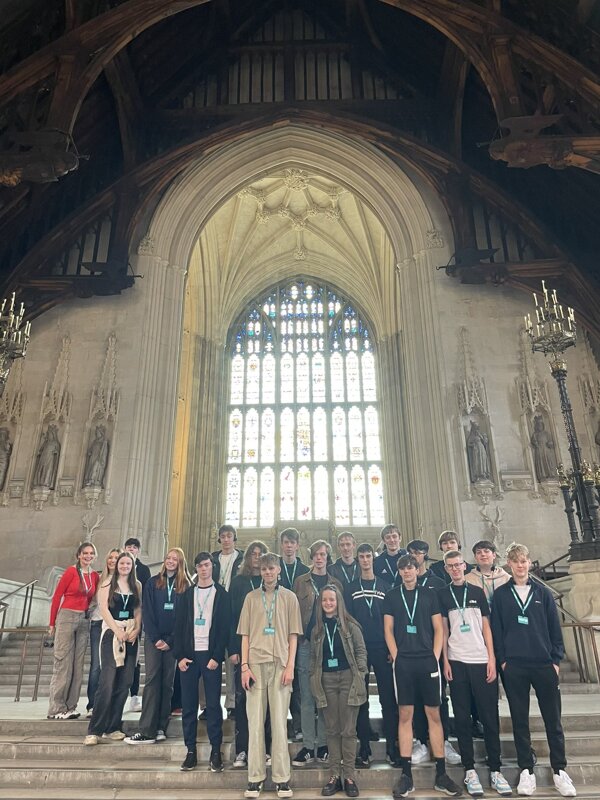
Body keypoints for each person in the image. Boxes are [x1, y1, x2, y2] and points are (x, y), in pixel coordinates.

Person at [491, 543, 576, 798]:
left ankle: (560, 770)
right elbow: (497, 630)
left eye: (524, 560)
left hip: (543, 665)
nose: (520, 565)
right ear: (509, 564)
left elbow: (555, 629)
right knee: (519, 721)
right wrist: (503, 660)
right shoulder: (502, 595)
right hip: (515, 666)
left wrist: (555, 660)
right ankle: (526, 769)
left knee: (553, 720)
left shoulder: (544, 593)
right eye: (515, 561)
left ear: (529, 563)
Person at [383, 554, 462, 798]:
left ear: (418, 570)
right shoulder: (392, 595)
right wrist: (397, 657)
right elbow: (388, 629)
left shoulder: (429, 594)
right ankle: (406, 774)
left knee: (434, 714)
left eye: (411, 568)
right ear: (399, 572)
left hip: (427, 661)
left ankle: (441, 773)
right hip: (404, 662)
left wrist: (435, 656)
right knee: (405, 714)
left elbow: (439, 628)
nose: (407, 572)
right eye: (403, 569)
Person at [440, 550, 512, 797]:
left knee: (489, 716)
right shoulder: (442, 594)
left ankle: (495, 769)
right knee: (461, 718)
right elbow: (443, 630)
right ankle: (469, 769)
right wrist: (445, 661)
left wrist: (492, 658)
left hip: (481, 660)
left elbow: (486, 627)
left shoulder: (477, 592)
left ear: (464, 565)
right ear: (446, 568)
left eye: (458, 564)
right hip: (457, 661)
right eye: (451, 566)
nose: (455, 569)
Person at [239, 552, 302, 799]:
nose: (267, 572)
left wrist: (290, 667)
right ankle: (254, 778)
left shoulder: (289, 597)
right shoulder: (251, 598)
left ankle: (281, 779)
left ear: (278, 571)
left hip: (280, 665)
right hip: (255, 664)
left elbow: (293, 635)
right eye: (264, 569)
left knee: (278, 723)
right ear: (259, 571)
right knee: (254, 723)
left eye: (271, 568)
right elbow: (244, 634)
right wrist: (244, 666)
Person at [125, 548, 191, 744]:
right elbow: (147, 612)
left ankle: (161, 726)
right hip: (154, 640)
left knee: (168, 683)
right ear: (164, 560)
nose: (171, 561)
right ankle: (146, 728)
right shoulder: (153, 583)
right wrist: (155, 638)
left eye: (175, 559)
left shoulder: (186, 585)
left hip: (174, 642)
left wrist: (171, 640)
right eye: (168, 558)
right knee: (153, 680)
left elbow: (185, 616)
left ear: (180, 563)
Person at [174, 551, 230, 773]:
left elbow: (224, 628)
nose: (204, 569)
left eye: (207, 565)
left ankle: (216, 752)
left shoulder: (222, 595)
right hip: (189, 656)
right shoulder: (188, 595)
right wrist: (179, 656)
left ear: (212, 567)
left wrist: (217, 656)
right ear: (195, 569)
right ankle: (190, 752)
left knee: (214, 705)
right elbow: (178, 627)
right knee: (189, 706)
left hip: (210, 657)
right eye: (200, 566)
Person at [406, 539, 459, 767]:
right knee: (416, 698)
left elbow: (444, 620)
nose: (415, 556)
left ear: (426, 555)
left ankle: (444, 740)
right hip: (412, 650)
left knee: (439, 698)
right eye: (411, 553)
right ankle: (420, 741)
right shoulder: (406, 584)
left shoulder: (438, 583)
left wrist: (440, 653)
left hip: (433, 650)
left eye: (418, 553)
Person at [345, 542, 398, 768]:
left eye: (368, 556)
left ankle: (392, 747)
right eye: (362, 557)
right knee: (361, 699)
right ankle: (364, 747)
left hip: (381, 649)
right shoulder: (350, 587)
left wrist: (391, 649)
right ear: (357, 560)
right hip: (360, 650)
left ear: (373, 559)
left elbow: (391, 621)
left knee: (388, 698)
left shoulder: (385, 586)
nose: (365, 560)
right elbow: (346, 620)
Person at [311, 584, 367, 798]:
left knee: (348, 730)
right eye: (324, 600)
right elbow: (313, 659)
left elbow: (361, 651)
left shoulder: (350, 625)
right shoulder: (317, 629)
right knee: (332, 730)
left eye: (331, 600)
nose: (328, 603)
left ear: (338, 601)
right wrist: (312, 678)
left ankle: (349, 776)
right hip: (326, 680)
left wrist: (360, 674)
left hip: (347, 679)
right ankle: (334, 776)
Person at [292, 540, 342, 766]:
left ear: (328, 557)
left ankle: (323, 744)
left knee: (324, 695)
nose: (319, 558)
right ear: (311, 557)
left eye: (323, 554)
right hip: (305, 643)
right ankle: (307, 744)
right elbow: (293, 613)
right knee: (306, 696)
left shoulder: (335, 583)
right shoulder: (300, 582)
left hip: (327, 642)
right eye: (316, 554)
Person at [84, 551, 142, 744]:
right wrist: (117, 631)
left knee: (125, 681)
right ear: (117, 565)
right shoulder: (108, 583)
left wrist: (137, 628)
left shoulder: (137, 585)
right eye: (122, 563)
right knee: (107, 681)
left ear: (133, 566)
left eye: (128, 563)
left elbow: (137, 609)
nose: (125, 566)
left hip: (130, 634)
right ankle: (95, 729)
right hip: (111, 634)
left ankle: (113, 726)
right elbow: (103, 608)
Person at [47, 541, 99, 720]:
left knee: (78, 665)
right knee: (63, 663)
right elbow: (57, 596)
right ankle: (56, 708)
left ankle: (71, 706)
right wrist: (52, 623)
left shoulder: (94, 576)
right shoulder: (70, 572)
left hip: (83, 620)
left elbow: (93, 599)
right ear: (79, 555)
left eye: (91, 553)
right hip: (67, 617)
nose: (88, 556)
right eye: (85, 553)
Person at [229, 540, 270, 768]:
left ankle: (264, 748)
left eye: (260, 553)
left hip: (267, 650)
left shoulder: (269, 583)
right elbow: (232, 617)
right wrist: (234, 649)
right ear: (247, 557)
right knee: (244, 700)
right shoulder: (238, 583)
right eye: (253, 553)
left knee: (267, 702)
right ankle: (242, 749)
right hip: (244, 651)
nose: (256, 557)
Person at [278, 527, 308, 742]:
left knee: (297, 680)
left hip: (298, 631)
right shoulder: (273, 567)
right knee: (279, 679)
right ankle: (278, 726)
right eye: (286, 542)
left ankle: (298, 725)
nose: (289, 546)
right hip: (277, 632)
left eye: (292, 542)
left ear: (298, 546)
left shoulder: (305, 570)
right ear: (281, 545)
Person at [212, 523, 244, 718]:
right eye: (223, 536)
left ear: (234, 538)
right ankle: (209, 705)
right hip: (215, 609)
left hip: (233, 609)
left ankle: (232, 703)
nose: (226, 539)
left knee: (233, 660)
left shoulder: (241, 559)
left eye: (229, 536)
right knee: (212, 659)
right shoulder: (213, 559)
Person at [86, 547, 120, 718]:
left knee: (111, 667)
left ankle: (107, 704)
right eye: (110, 557)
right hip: (99, 623)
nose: (113, 560)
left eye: (116, 557)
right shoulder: (100, 578)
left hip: (115, 625)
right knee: (96, 666)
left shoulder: (125, 580)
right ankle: (92, 704)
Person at [123, 536, 151, 712]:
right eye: (129, 546)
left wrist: (140, 624)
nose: (132, 549)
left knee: (133, 660)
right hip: (117, 622)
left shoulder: (144, 570)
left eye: (134, 547)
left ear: (138, 551)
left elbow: (145, 598)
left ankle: (134, 697)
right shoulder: (119, 566)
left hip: (135, 619)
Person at [465, 540, 510, 609]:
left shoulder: (506, 578)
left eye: (486, 551)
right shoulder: (467, 580)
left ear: (494, 555)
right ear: (475, 557)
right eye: (479, 552)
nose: (483, 554)